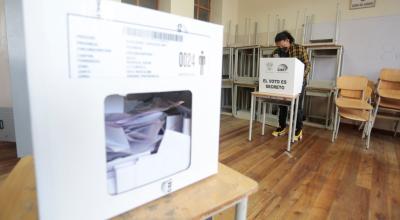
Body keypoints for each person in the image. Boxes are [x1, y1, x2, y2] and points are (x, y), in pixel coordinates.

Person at [271, 31, 311, 141]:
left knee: (297, 106)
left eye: (281, 44)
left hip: (299, 82)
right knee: (282, 104)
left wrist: (300, 79)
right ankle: (282, 126)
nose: (279, 47)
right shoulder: (276, 51)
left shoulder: (299, 48)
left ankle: (298, 129)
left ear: (287, 40)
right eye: (278, 45)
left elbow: (308, 65)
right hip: (283, 82)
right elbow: (271, 66)